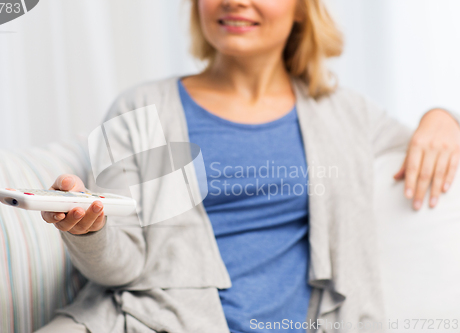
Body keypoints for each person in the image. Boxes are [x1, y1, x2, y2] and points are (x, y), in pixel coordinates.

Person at [36, 0, 460, 332]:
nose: (235, 1)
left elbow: (427, 139)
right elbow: (121, 267)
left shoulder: (345, 114)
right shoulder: (141, 109)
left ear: (300, 8)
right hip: (147, 320)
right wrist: (90, 231)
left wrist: (443, 116)